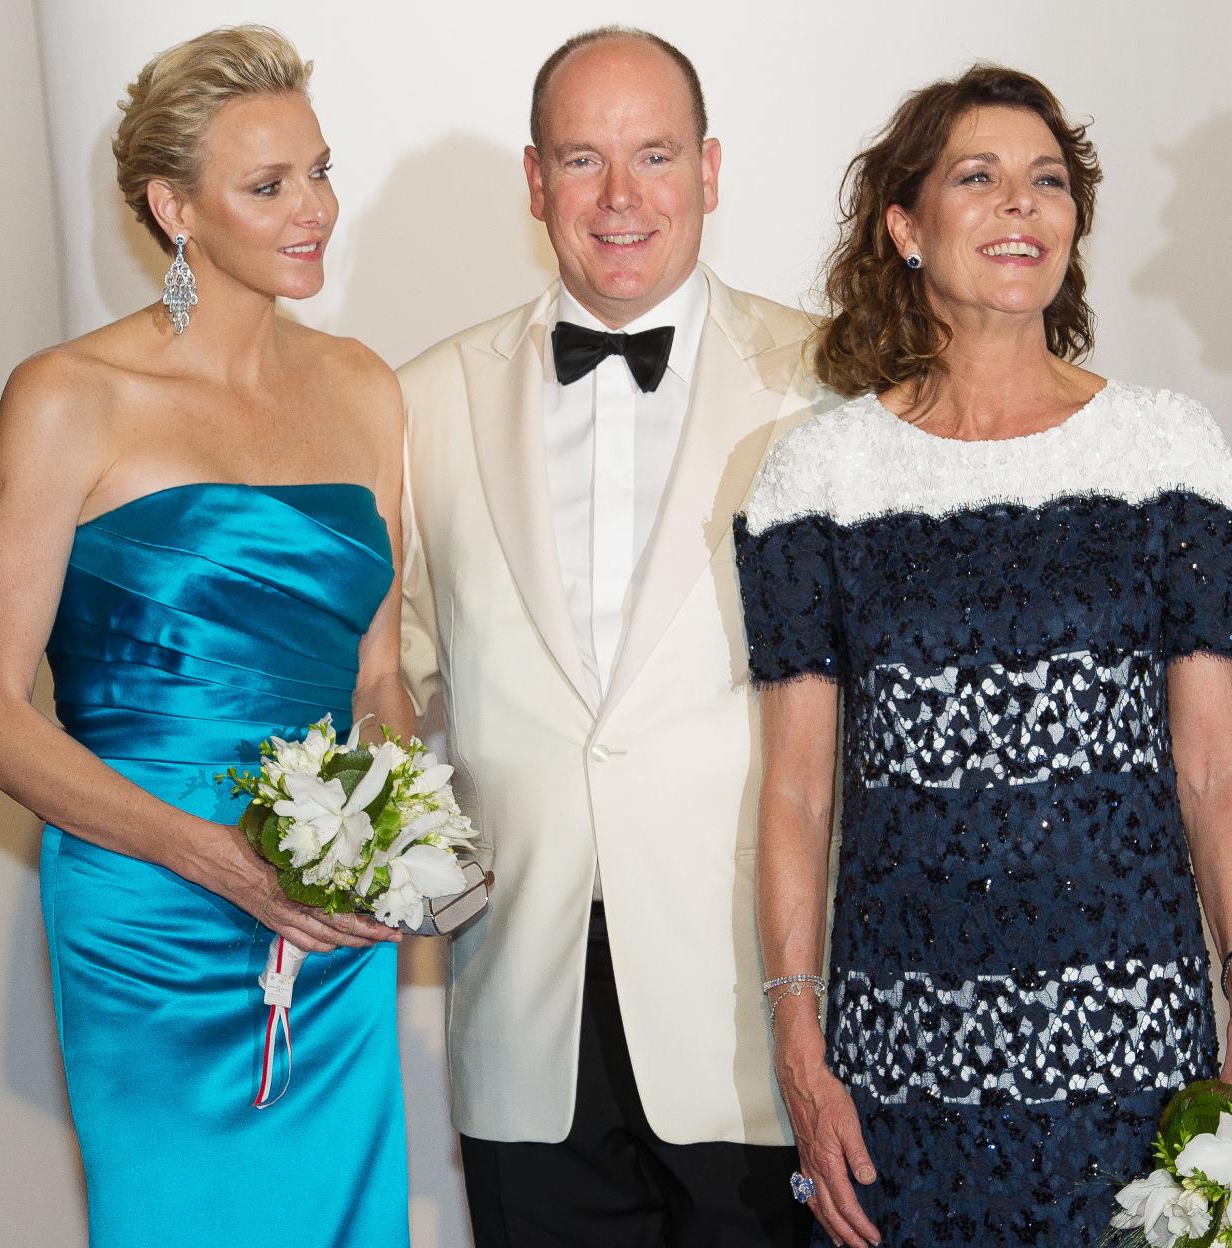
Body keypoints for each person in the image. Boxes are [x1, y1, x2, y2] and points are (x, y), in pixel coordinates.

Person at [734, 63, 1232, 1248]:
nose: (1022, 205)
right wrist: (800, 1050)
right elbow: (800, 791)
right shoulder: (818, 474)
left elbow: (1217, 770)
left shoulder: (1171, 450)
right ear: (905, 227)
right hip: (903, 1053)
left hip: (1136, 1042)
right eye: (979, 177)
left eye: (1048, 182)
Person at [398, 25, 829, 1246]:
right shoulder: (423, 399)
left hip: (761, 1011)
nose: (622, 198)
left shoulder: (834, 382)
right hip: (523, 1015)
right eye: (584, 160)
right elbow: (390, 681)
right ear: (535, 183)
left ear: (710, 168)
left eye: (653, 155)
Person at [0, 27, 412, 1247]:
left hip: (329, 918)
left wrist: (383, 831)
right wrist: (215, 856)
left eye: (321, 171)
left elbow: (379, 671)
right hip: (147, 913)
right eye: (269, 185)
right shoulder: (69, 397)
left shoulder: (361, 386)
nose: (316, 211)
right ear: (175, 207)